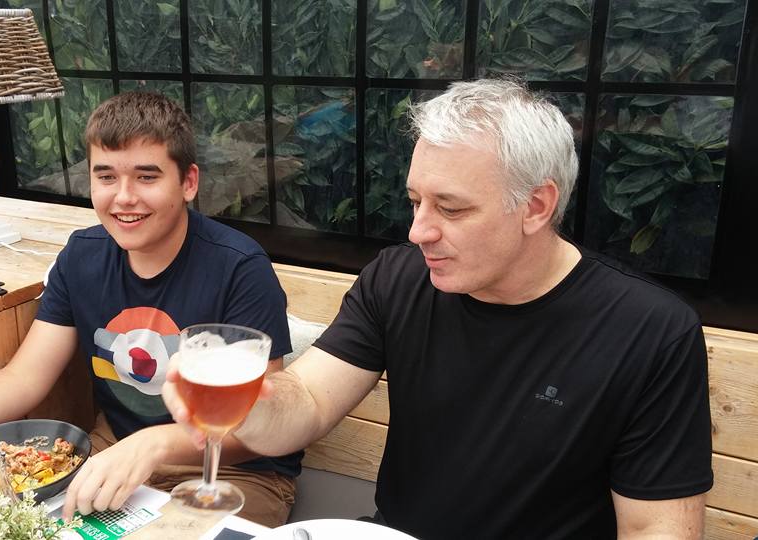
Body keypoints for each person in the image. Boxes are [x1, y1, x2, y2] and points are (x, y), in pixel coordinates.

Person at [164, 79, 713, 538]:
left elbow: (656, 529)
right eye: (415, 201)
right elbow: (307, 401)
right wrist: (248, 403)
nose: (418, 231)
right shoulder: (400, 278)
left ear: (536, 206)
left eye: (449, 208)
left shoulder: (650, 330)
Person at [0, 92, 301, 527]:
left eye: (147, 177)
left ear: (188, 182)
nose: (124, 197)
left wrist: (152, 445)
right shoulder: (81, 256)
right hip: (111, 454)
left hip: (233, 475)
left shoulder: (240, 267)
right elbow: (23, 377)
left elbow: (258, 428)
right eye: (106, 177)